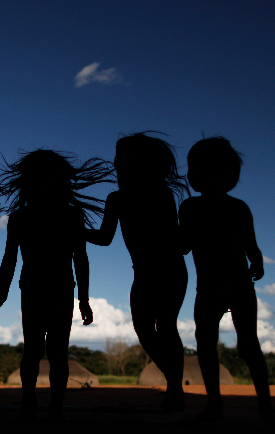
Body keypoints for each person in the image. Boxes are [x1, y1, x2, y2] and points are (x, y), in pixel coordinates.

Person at [0, 149, 106, 420]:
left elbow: (80, 258)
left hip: (51, 288)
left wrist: (84, 299)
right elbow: (10, 258)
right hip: (43, 288)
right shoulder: (32, 217)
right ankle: (41, 401)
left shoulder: (57, 216)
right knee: (44, 350)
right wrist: (2, 292)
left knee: (48, 351)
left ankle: (48, 402)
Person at [86, 133, 189, 411]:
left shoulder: (161, 195)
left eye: (123, 156)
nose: (117, 161)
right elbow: (105, 237)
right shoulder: (116, 199)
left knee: (166, 327)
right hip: (144, 272)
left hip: (169, 270)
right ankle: (175, 386)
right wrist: (77, 231)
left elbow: (172, 239)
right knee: (145, 330)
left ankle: (175, 390)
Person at [179, 136, 275, 423]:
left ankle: (244, 406)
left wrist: (256, 261)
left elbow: (251, 247)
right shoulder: (232, 207)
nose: (191, 175)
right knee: (228, 343)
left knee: (232, 343)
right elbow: (252, 249)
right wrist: (256, 261)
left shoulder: (196, 209)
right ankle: (253, 406)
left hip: (224, 287)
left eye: (195, 169)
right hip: (227, 286)